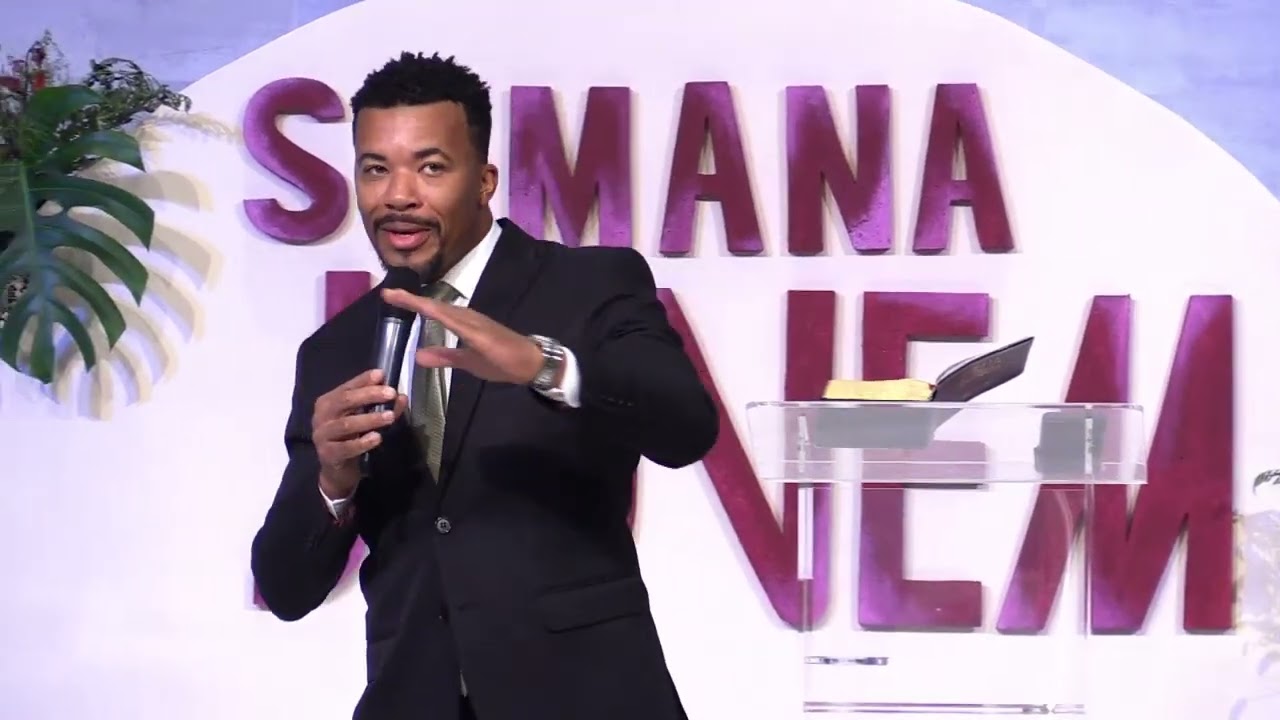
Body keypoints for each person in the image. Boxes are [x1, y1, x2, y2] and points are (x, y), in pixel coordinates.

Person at [249, 51, 718, 720]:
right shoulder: (337, 349)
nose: (398, 195)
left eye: (430, 167)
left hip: (587, 698)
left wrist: (545, 366)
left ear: (485, 181)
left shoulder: (589, 284)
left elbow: (686, 428)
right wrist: (333, 479)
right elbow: (286, 589)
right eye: (376, 169)